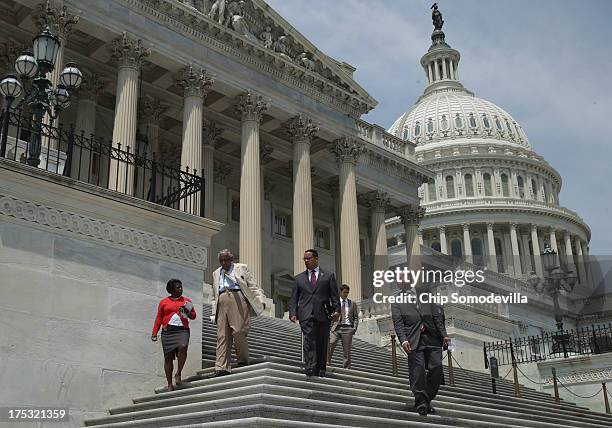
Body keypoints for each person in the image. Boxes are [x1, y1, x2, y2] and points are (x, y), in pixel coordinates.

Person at [391, 285, 450, 416]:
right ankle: (422, 403)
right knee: (417, 371)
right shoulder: (396, 300)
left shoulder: (425, 293)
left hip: (432, 337)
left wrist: (444, 334)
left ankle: (426, 399)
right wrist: (403, 340)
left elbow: (437, 316)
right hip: (413, 338)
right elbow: (398, 322)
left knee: (437, 368)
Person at [211, 249, 266, 376]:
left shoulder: (241, 268)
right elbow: (214, 293)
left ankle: (243, 359)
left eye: (226, 260)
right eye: (221, 261)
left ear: (231, 259)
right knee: (222, 335)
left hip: (237, 297)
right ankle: (221, 366)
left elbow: (253, 286)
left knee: (239, 331)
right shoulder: (216, 273)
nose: (224, 263)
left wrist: (261, 300)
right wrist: (214, 310)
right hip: (222, 299)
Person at [290, 249, 340, 377]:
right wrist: (293, 312)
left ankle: (321, 368)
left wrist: (337, 311)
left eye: (308, 258)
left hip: (323, 313)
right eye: (305, 259)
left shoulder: (328, 276)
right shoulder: (299, 278)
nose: (306, 261)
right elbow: (294, 297)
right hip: (306, 314)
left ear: (316, 259)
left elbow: (334, 296)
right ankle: (310, 367)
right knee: (309, 340)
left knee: (322, 342)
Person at [151, 278, 197, 392]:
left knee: (183, 346)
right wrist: (154, 332)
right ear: (171, 289)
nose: (180, 289)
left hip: (182, 330)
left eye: (181, 287)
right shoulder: (163, 302)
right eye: (177, 287)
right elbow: (159, 318)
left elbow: (193, 316)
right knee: (168, 358)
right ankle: (169, 383)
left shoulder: (187, 301)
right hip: (168, 332)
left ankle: (178, 373)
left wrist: (186, 312)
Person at [327, 284, 359, 369]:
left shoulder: (352, 304)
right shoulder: (335, 302)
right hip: (336, 327)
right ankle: (327, 362)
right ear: (340, 292)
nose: (346, 294)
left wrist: (354, 328)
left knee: (347, 350)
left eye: (347, 293)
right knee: (331, 343)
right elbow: (330, 314)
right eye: (344, 292)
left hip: (348, 328)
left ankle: (346, 368)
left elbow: (356, 317)